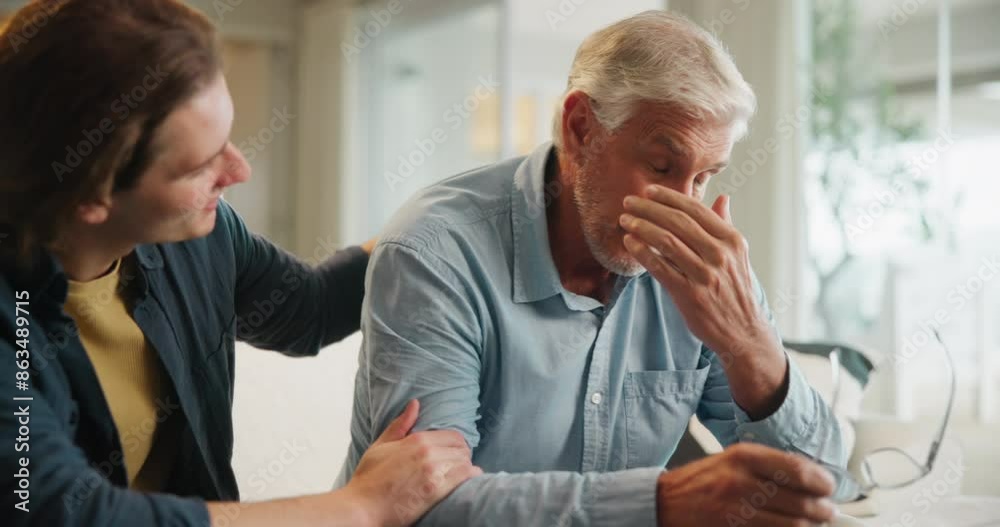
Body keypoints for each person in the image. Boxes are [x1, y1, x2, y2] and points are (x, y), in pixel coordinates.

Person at [337, 10, 847, 526]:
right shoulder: (435, 252)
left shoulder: (706, 269)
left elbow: (824, 487)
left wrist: (750, 342)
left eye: (704, 178)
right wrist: (660, 505)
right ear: (581, 129)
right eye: (662, 167)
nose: (684, 209)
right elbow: (424, 506)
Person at [0, 1, 478, 526]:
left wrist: (443, 232)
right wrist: (361, 505)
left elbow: (308, 307)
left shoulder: (196, 237)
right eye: (201, 164)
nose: (239, 169)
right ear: (92, 194)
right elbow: (61, 514)